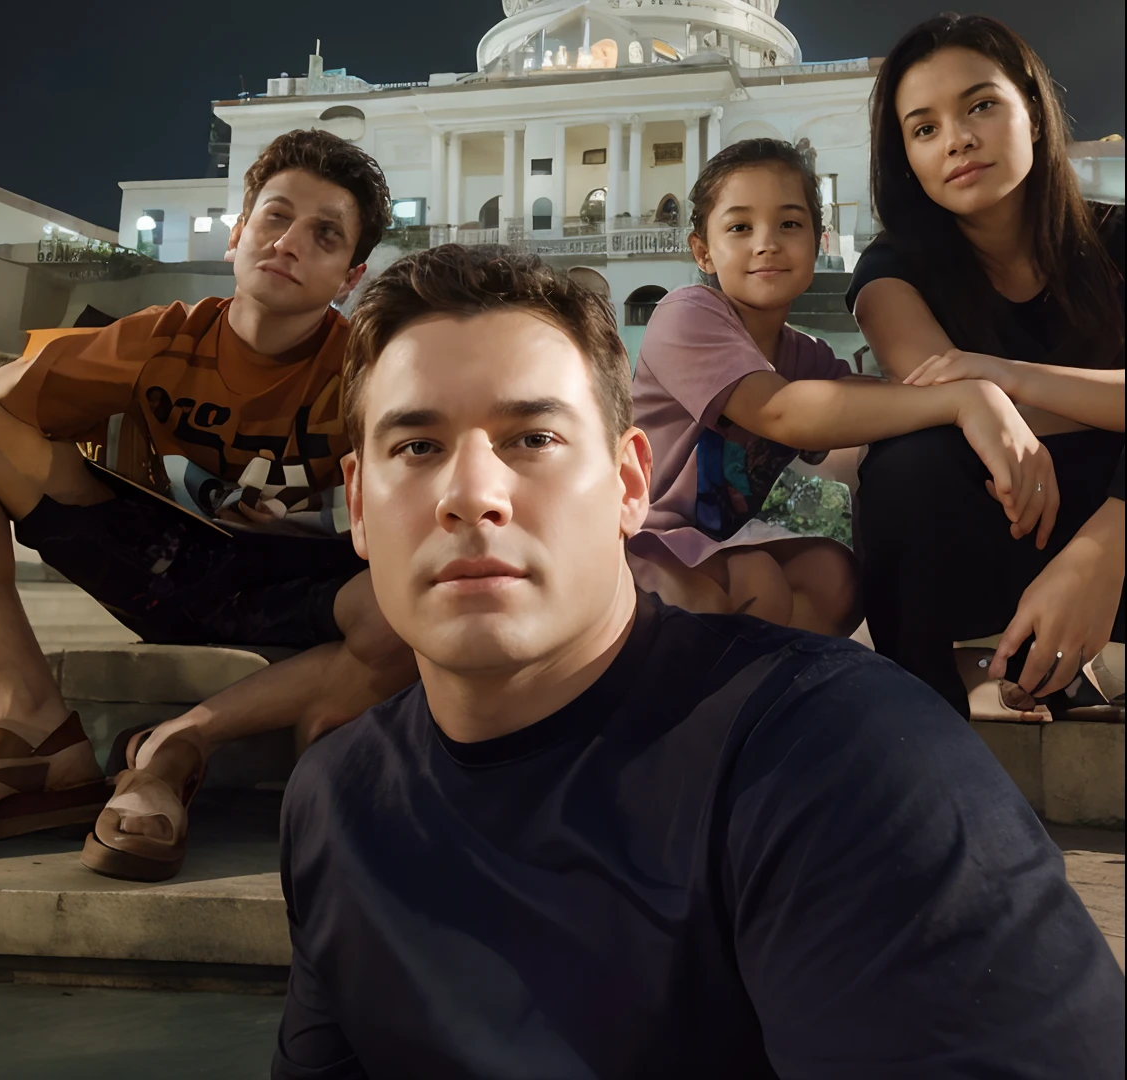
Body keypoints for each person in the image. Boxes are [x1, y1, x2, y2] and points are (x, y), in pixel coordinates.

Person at [273, 244, 1122, 1080]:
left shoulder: (841, 760)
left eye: (531, 437)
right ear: (357, 501)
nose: (471, 495)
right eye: (416, 448)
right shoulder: (335, 802)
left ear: (630, 484)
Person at [0, 129, 415, 874]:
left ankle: (175, 743)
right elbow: (2, 402)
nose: (290, 243)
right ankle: (30, 722)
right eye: (275, 218)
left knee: (402, 612)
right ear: (239, 234)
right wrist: (92, 442)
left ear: (350, 275)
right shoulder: (164, 337)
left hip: (305, 585)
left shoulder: (366, 370)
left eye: (325, 234)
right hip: (166, 563)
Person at [628, 137, 1058, 637]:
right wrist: (965, 399)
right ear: (702, 250)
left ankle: (767, 676)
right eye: (740, 227)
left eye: (789, 223)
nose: (766, 242)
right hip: (629, 539)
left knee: (833, 575)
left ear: (819, 242)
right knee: (756, 580)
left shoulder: (803, 354)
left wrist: (992, 408)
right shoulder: (687, 314)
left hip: (698, 545)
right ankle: (728, 692)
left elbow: (869, 414)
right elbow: (781, 411)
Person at [847, 12, 1124, 720]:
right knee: (912, 458)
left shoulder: (1116, 241)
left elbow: (970, 387)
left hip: (1115, 529)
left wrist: (1006, 377)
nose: (958, 139)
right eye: (924, 127)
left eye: (980, 105)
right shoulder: (893, 272)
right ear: (904, 156)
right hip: (1005, 532)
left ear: (1031, 109)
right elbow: (936, 400)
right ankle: (933, 709)